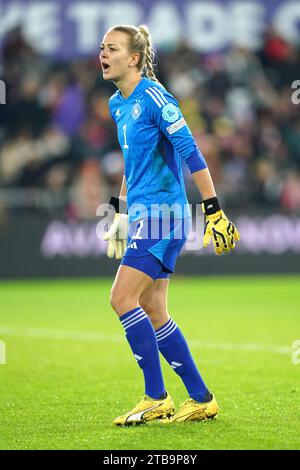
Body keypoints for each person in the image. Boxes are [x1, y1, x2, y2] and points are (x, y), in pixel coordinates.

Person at [100, 24, 240, 426]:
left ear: (134, 58)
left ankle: (155, 397)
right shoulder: (117, 104)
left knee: (121, 299)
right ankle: (201, 398)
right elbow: (132, 162)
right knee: (153, 307)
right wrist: (119, 210)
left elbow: (193, 154)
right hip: (145, 215)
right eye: (101, 48)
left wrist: (212, 209)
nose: (103, 54)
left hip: (165, 217)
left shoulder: (157, 99)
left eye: (112, 48)